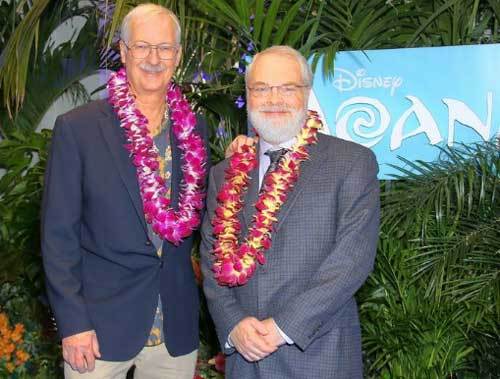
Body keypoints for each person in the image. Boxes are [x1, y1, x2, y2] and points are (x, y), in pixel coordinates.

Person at [42, 4, 248, 378]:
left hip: (174, 329)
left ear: (179, 56)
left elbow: (201, 203)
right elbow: (58, 238)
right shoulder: (79, 129)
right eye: (142, 47)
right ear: (123, 52)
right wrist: (73, 324)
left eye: (165, 48)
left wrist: (234, 164)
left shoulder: (194, 128)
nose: (154, 59)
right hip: (98, 330)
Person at [201, 45, 380, 379]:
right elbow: (213, 260)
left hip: (320, 356)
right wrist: (233, 324)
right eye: (262, 88)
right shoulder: (223, 174)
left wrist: (283, 327)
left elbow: (352, 260)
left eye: (287, 88)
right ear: (248, 95)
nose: (274, 99)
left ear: (307, 93)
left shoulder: (352, 162)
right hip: (244, 360)